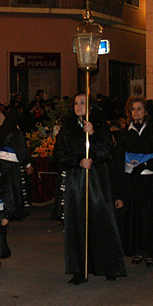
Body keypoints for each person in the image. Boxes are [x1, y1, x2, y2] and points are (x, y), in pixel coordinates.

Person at [53, 94, 126, 284]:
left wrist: (92, 135)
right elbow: (58, 156)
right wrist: (77, 161)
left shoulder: (101, 127)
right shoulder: (67, 129)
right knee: (77, 223)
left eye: (82, 103)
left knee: (102, 220)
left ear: (90, 107)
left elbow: (107, 153)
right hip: (76, 181)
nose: (78, 106)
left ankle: (109, 266)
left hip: (98, 181)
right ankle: (80, 269)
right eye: (76, 103)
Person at [115, 97, 153, 268]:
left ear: (145, 112)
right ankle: (137, 250)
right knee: (134, 216)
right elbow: (119, 158)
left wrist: (145, 165)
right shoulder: (124, 133)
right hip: (131, 180)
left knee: (149, 216)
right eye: (133, 109)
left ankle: (149, 252)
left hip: (149, 179)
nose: (136, 112)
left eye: (139, 109)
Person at [0, 105, 34, 220]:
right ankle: (14, 211)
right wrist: (27, 164)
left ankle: (3, 209)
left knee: (4, 187)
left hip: (1, 162)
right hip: (12, 163)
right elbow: (21, 150)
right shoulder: (16, 132)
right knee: (15, 187)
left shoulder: (1, 130)